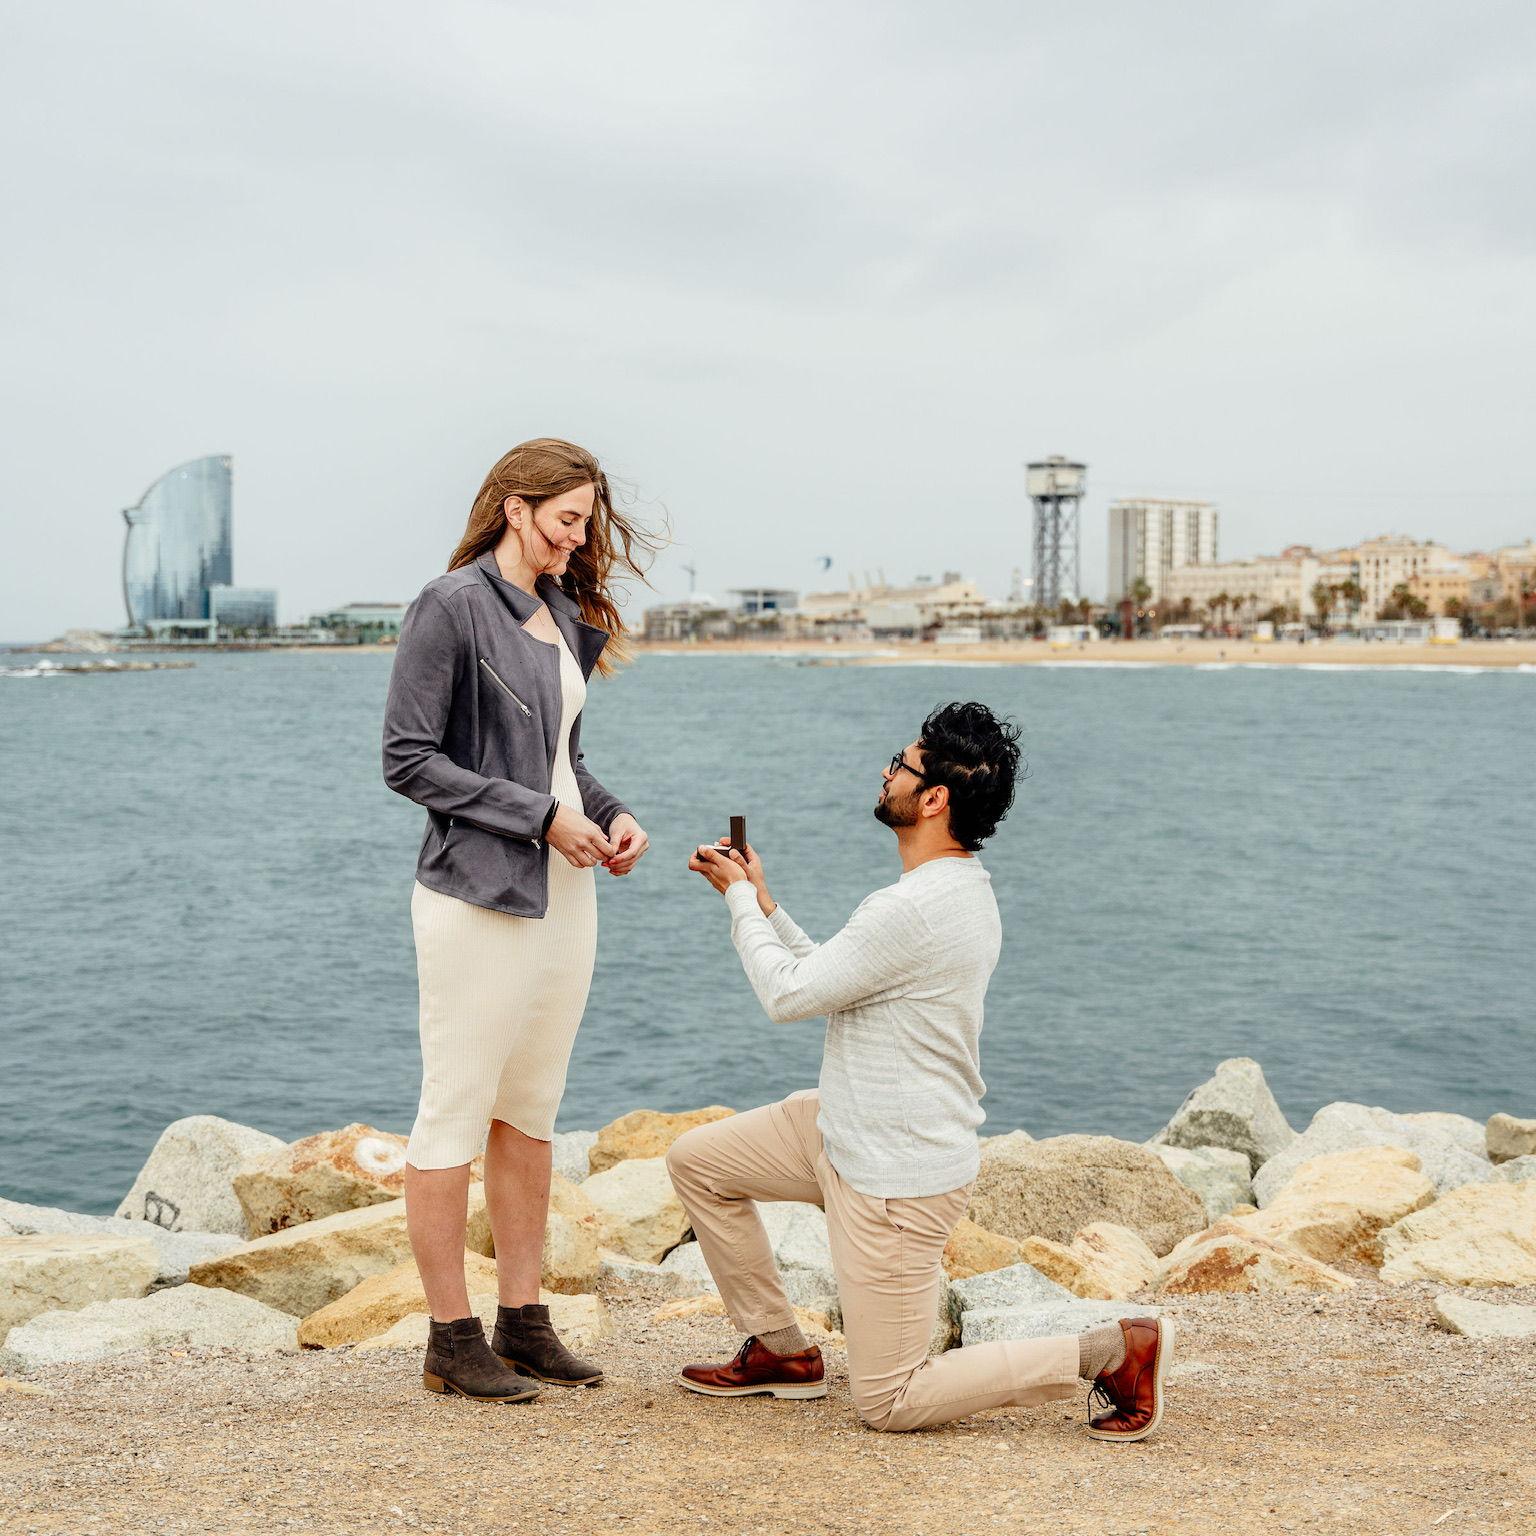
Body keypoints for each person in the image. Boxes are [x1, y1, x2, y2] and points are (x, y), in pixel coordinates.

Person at [671, 702, 1174, 1439]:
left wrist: (740, 901)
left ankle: (1110, 1353)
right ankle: (782, 1351)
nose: (885, 771)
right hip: (841, 1129)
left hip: (893, 1177)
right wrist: (768, 906)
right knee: (697, 1163)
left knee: (891, 1401)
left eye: (900, 765)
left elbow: (788, 995)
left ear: (934, 797)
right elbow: (837, 974)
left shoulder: (911, 910)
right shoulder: (954, 891)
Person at [382, 437, 657, 1402]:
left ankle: (524, 1322)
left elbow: (561, 761)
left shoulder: (563, 613)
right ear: (515, 506)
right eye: (567, 520)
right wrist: (542, 818)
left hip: (565, 899)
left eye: (588, 523)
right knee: (453, 1109)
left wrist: (610, 812)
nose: (581, 541)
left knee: (531, 1112)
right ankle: (450, 1340)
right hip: (475, 899)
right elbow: (410, 761)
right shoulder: (449, 606)